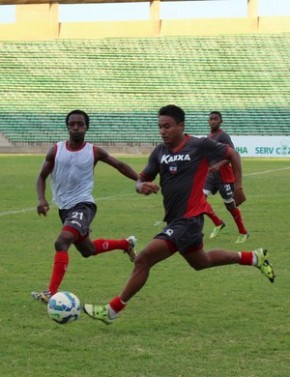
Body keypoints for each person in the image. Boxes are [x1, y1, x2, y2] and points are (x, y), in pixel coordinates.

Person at [83, 104, 275, 325]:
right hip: (176, 219)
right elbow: (141, 178)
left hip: (190, 219)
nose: (163, 131)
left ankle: (111, 310)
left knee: (143, 259)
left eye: (167, 126)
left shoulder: (199, 145)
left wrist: (239, 186)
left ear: (181, 126)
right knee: (201, 261)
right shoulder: (159, 152)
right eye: (160, 127)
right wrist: (140, 186)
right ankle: (253, 257)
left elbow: (232, 154)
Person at [31, 109, 140, 303]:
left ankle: (51, 293)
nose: (75, 127)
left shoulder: (94, 151)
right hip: (65, 209)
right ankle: (126, 244)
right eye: (72, 124)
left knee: (62, 241)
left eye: (79, 124)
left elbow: (120, 165)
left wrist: (141, 180)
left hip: (83, 206)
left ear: (86, 127)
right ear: (67, 127)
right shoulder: (56, 150)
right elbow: (41, 176)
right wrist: (41, 199)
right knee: (87, 250)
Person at [203, 111, 249, 244]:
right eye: (211, 119)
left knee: (230, 205)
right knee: (199, 199)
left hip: (224, 176)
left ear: (220, 121)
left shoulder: (223, 136)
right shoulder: (209, 136)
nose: (213, 121)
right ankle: (218, 222)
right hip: (211, 176)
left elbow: (233, 155)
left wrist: (218, 165)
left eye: (216, 119)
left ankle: (243, 232)